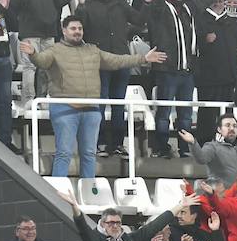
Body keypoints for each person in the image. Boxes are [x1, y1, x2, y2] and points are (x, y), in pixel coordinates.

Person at [20, 15, 163, 178]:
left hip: (91, 110)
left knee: (88, 154)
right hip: (64, 108)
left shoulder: (93, 50)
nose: (77, 32)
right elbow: (42, 61)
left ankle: (88, 192)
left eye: (79, 29)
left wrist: (143, 58)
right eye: (73, 29)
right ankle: (57, 195)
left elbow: (116, 60)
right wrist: (33, 54)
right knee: (64, 153)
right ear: (64, 31)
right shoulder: (54, 50)